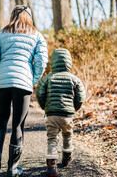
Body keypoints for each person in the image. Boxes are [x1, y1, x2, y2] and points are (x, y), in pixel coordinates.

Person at [0, 5, 48, 177]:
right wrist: (32, 80)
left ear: (12, 16)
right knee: (18, 125)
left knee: (2, 117)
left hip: (2, 83)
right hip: (23, 83)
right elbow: (42, 60)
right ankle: (13, 168)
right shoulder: (36, 35)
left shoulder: (1, 34)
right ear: (29, 17)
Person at [36, 48, 86, 177]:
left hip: (52, 114)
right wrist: (73, 108)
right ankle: (66, 159)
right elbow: (80, 97)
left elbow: (39, 94)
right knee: (67, 135)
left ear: (53, 62)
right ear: (69, 62)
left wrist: (45, 107)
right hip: (67, 115)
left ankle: (52, 166)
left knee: (52, 138)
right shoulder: (75, 79)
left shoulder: (47, 79)